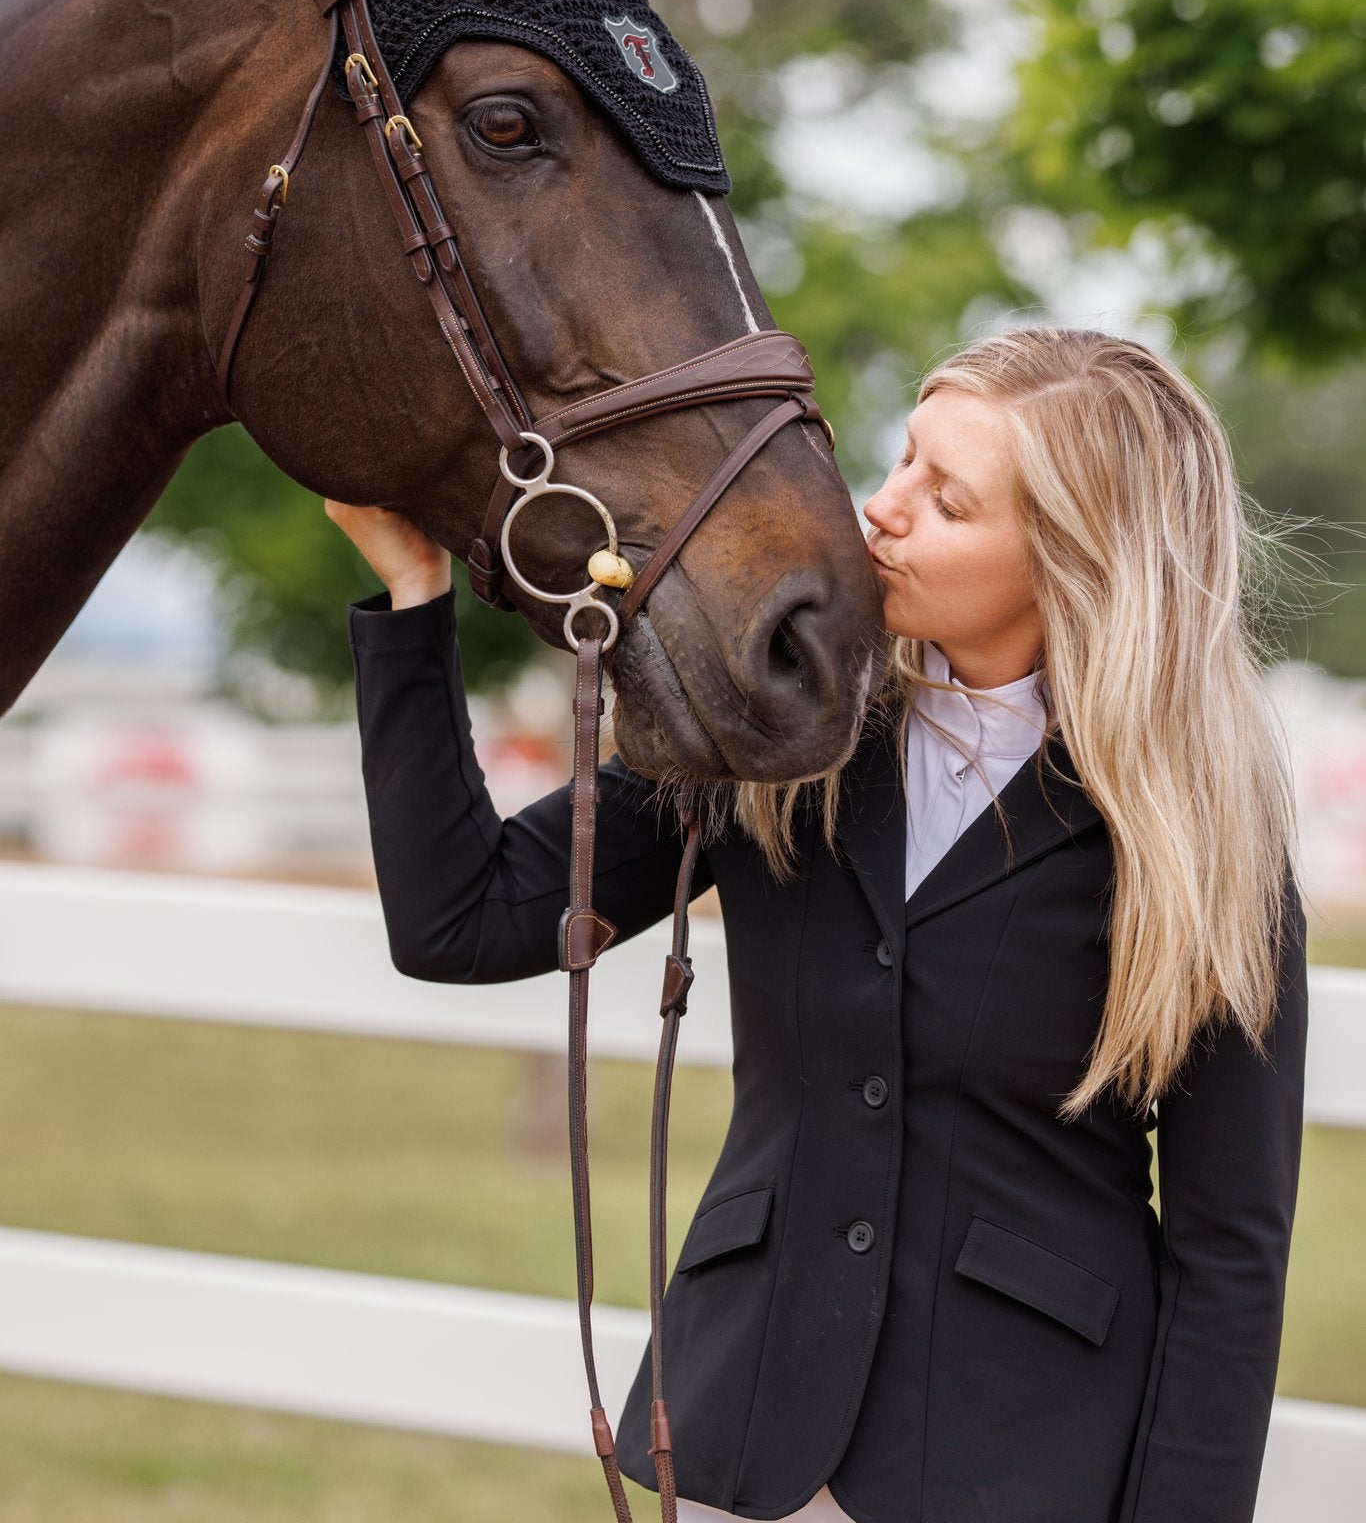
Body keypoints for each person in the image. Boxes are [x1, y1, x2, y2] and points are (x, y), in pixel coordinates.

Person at [326, 324, 1308, 1523]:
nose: (880, 510)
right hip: (746, 1430)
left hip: (1027, 1461)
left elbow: (1228, 1258)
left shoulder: (1199, 849)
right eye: (899, 463)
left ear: (1074, 556)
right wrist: (409, 596)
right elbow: (462, 917)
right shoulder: (775, 729)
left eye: (944, 498)